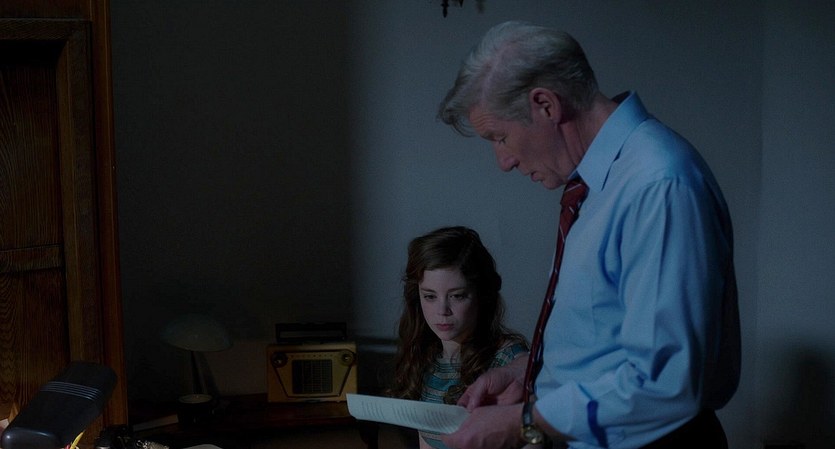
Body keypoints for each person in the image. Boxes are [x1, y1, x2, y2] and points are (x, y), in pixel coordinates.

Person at [435, 21, 740, 449]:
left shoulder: (657, 185)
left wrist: (521, 422)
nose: (503, 161)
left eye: (500, 137)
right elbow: (608, 337)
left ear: (545, 105)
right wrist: (529, 372)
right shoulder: (599, 184)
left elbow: (665, 381)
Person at [387, 226, 530, 449]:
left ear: (481, 294)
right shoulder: (424, 358)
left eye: (457, 296)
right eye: (430, 296)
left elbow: (534, 439)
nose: (442, 310)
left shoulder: (509, 362)